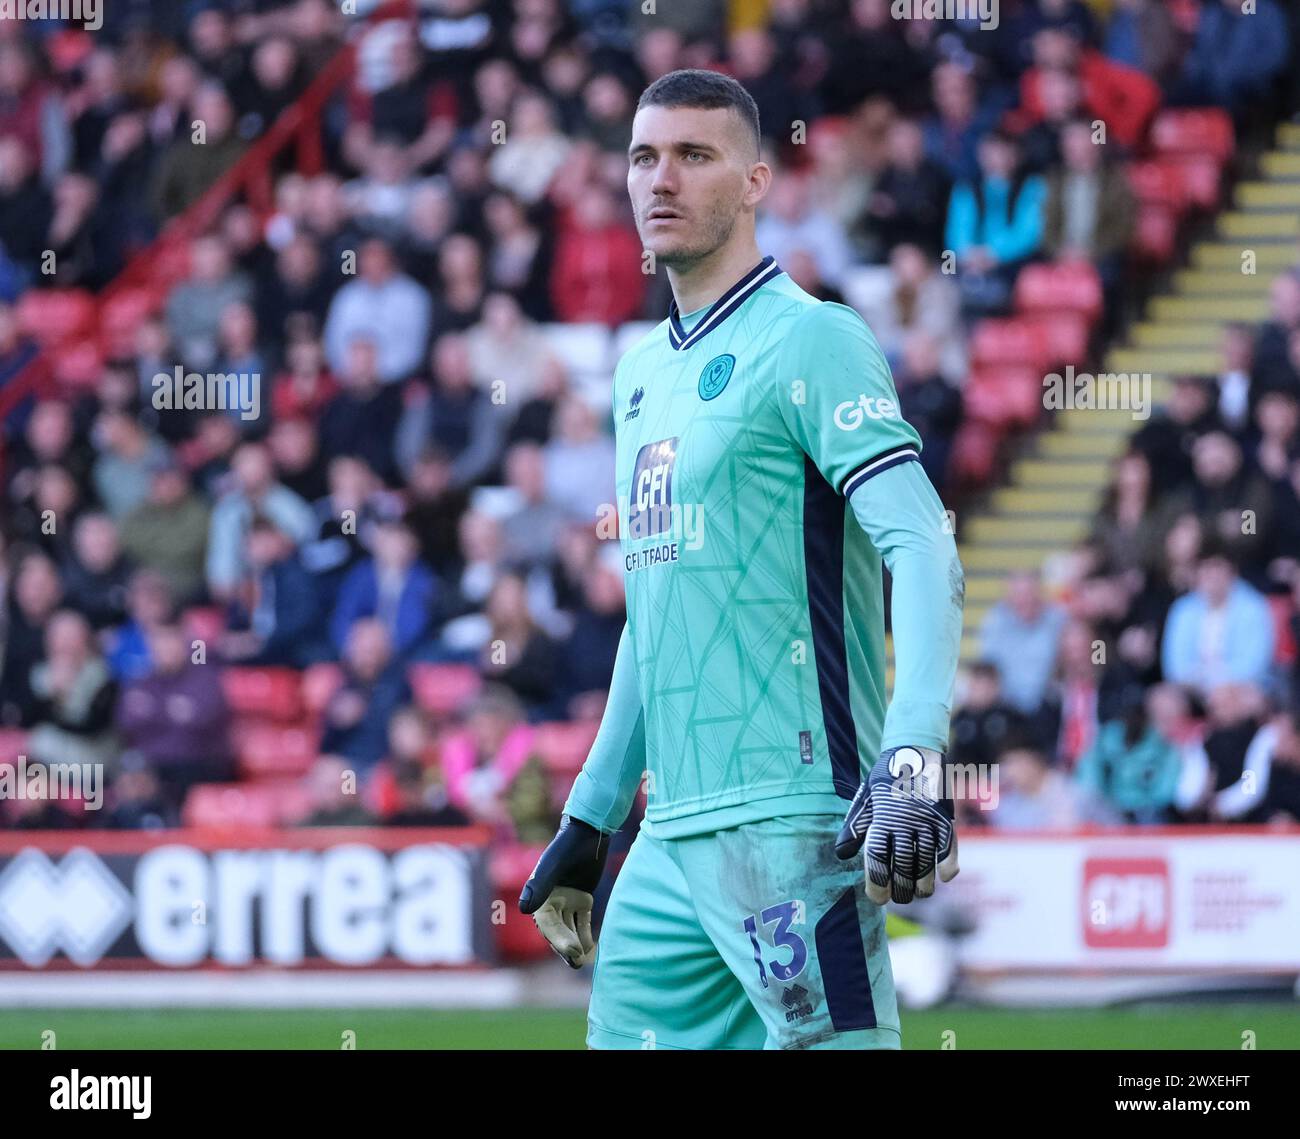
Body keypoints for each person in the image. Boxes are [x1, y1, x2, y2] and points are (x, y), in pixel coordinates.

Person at [518, 71, 964, 1051]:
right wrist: (593, 815)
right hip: (668, 838)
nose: (660, 179)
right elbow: (654, 603)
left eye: (694, 154)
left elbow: (923, 542)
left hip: (796, 824)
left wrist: (913, 751)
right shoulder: (637, 374)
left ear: (755, 179)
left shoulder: (814, 339)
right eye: (643, 156)